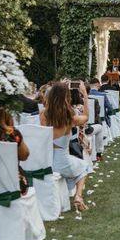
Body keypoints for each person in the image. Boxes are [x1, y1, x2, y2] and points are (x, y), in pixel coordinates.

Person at [40, 81, 91, 211]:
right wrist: (84, 95)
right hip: (63, 163)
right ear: (66, 98)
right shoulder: (69, 117)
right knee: (84, 166)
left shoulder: (44, 115)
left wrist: (57, 86)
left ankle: (71, 192)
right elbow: (86, 117)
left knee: (77, 165)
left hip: (47, 162)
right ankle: (78, 196)